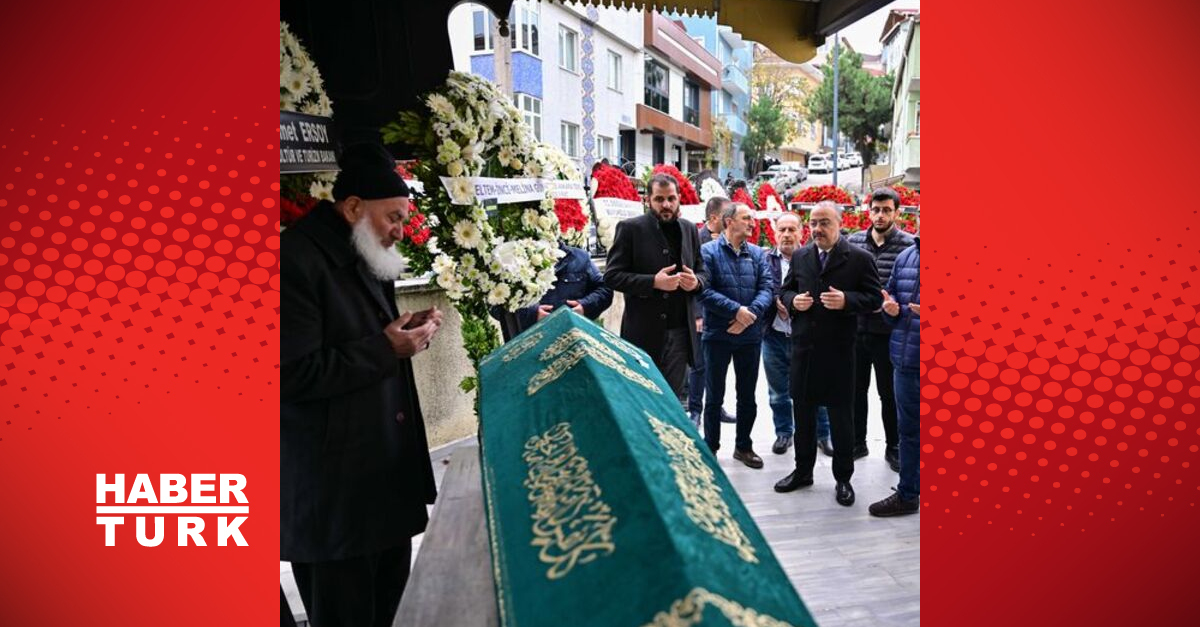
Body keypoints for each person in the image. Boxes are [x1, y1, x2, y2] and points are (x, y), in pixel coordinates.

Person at [281, 143, 443, 627]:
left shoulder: (362, 249)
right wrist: (386, 348)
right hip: (334, 501)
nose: (400, 231)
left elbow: (365, 335)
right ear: (353, 207)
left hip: (381, 486)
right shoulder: (295, 260)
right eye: (393, 218)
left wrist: (407, 332)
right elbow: (291, 373)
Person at [774, 200, 882, 507]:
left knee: (841, 420)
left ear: (840, 224)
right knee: (803, 416)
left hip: (839, 353)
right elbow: (785, 290)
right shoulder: (801, 255)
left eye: (824, 223)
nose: (817, 229)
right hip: (804, 351)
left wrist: (847, 300)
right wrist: (793, 301)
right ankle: (802, 471)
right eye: (813, 223)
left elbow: (874, 298)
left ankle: (843, 478)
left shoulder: (859, 258)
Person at [605, 173, 709, 405]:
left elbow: (702, 270)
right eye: (659, 199)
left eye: (671, 198)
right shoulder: (630, 228)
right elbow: (612, 276)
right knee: (642, 402)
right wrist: (653, 282)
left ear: (679, 198)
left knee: (671, 402)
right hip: (643, 334)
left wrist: (696, 282)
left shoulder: (689, 229)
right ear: (648, 200)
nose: (666, 205)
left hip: (681, 333)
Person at [698, 202, 774, 468]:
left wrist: (748, 315)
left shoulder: (758, 253)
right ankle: (710, 447)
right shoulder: (707, 251)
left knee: (747, 395)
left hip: (749, 335)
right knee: (714, 395)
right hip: (718, 334)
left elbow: (767, 288)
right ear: (729, 221)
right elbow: (703, 290)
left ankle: (743, 446)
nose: (752, 223)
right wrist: (736, 311)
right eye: (746, 218)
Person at [847, 188, 915, 470]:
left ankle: (894, 446)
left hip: (888, 334)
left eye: (887, 210)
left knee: (889, 393)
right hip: (855, 331)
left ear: (897, 212)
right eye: (876, 209)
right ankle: (857, 442)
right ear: (869, 211)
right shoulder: (853, 242)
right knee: (855, 390)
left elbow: (910, 288)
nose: (880, 215)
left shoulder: (908, 246)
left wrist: (890, 306)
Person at [869, 229, 921, 516]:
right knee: (909, 432)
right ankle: (908, 493)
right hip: (905, 360)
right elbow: (892, 300)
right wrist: (890, 310)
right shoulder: (906, 256)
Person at [688, 196, 736, 426]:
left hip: (723, 312)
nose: (731, 220)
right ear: (714, 217)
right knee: (699, 365)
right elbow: (692, 280)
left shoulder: (730, 240)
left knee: (718, 365)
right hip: (702, 314)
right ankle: (695, 410)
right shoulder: (696, 241)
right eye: (728, 216)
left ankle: (716, 406)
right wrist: (697, 314)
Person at [498, 241, 613, 334]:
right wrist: (531, 314)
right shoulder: (511, 262)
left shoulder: (579, 257)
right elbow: (495, 303)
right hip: (529, 341)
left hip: (574, 337)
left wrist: (584, 306)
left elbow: (605, 289)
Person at [763, 212, 799, 454]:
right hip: (773, 335)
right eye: (782, 230)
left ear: (801, 232)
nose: (786, 235)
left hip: (804, 337)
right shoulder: (764, 259)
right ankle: (784, 432)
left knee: (814, 387)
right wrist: (774, 301)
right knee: (778, 392)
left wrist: (793, 304)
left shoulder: (813, 258)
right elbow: (759, 288)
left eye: (791, 229)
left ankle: (823, 433)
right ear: (775, 233)